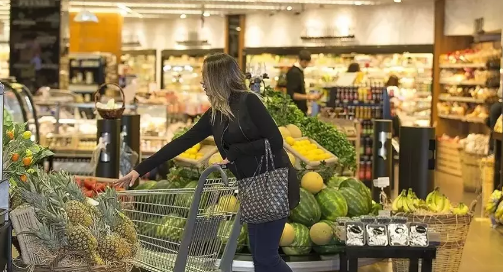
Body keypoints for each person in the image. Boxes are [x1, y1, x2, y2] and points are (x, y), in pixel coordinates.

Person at [116, 53, 298, 272]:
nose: (202, 83)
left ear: (218, 78)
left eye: (205, 77)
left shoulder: (249, 101)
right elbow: (182, 142)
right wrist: (140, 169)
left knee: (266, 258)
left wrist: (237, 151)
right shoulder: (215, 114)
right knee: (260, 260)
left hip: (273, 185)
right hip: (251, 188)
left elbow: (276, 141)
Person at [286, 50, 322, 115]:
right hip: (295, 111)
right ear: (300, 60)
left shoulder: (299, 71)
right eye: (305, 62)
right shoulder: (294, 73)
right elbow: (292, 94)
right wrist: (309, 97)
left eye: (307, 62)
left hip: (299, 110)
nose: (306, 65)